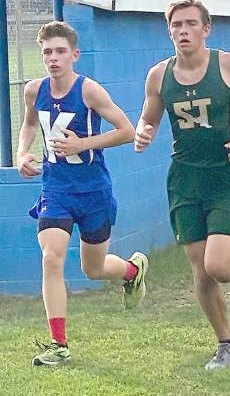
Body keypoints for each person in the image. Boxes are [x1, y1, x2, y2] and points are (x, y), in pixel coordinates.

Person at [134, 0, 230, 370]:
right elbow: (149, 118)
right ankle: (227, 344)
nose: (183, 31)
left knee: (219, 265)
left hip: (223, 174)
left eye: (191, 24)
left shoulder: (229, 65)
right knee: (201, 269)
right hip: (184, 179)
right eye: (176, 25)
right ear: (169, 31)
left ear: (206, 29)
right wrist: (143, 133)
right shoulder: (159, 74)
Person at [17, 21, 148, 367]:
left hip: (93, 191)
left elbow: (126, 131)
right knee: (52, 257)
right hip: (55, 188)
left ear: (74, 54)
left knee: (93, 268)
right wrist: (22, 152)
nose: (53, 58)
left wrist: (82, 143)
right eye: (47, 52)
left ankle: (132, 273)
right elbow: (30, 123)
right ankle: (59, 345)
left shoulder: (89, 91)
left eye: (60, 51)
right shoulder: (34, 90)